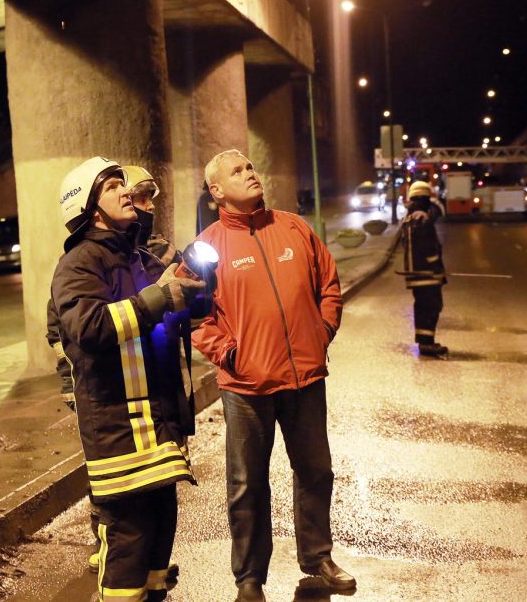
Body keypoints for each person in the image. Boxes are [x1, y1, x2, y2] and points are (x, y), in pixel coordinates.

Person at [192, 149, 355, 602]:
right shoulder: (207, 248)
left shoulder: (294, 228)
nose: (251, 173)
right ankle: (249, 578)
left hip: (305, 378)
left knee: (316, 471)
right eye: (238, 171)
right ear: (217, 190)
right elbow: (193, 317)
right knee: (246, 485)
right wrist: (228, 354)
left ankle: (317, 557)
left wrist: (321, 331)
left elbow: (329, 284)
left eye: (250, 167)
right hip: (246, 387)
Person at [51, 156, 204, 602]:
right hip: (119, 426)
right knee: (129, 540)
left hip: (157, 420)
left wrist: (196, 294)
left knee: (159, 533)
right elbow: (90, 328)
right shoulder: (79, 264)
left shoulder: (139, 257)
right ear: (90, 207)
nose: (125, 192)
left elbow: (175, 312)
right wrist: (157, 299)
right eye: (113, 186)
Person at [398, 180, 448, 357]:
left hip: (414, 274)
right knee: (432, 307)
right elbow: (429, 248)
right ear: (425, 198)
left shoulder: (409, 218)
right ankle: (427, 344)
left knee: (422, 307)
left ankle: (424, 342)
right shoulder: (423, 218)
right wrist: (436, 267)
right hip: (427, 273)